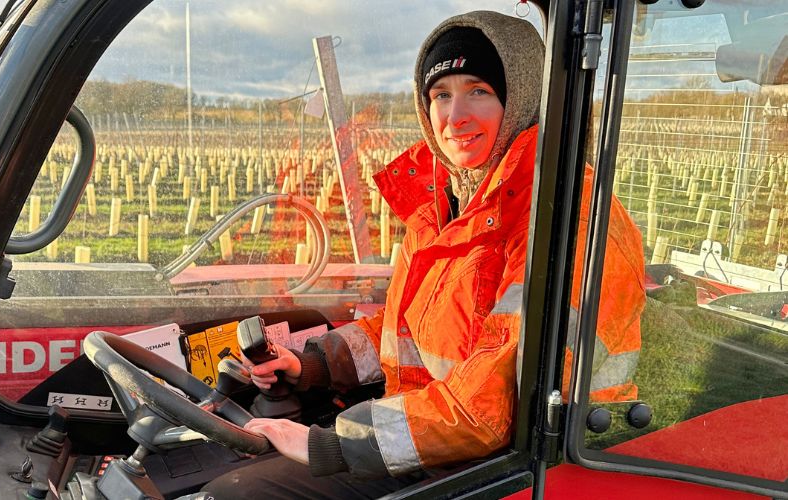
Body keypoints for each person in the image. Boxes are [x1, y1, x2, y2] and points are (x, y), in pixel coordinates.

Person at [205, 10, 645, 498]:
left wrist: (330, 444)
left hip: (511, 472)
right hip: (430, 448)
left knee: (239, 493)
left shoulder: (563, 221)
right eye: (441, 95)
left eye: (478, 90)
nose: (455, 117)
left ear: (521, 97)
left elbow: (487, 409)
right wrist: (311, 364)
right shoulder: (448, 205)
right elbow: (402, 332)